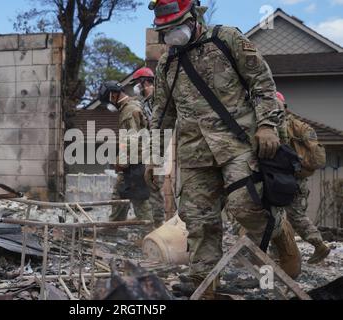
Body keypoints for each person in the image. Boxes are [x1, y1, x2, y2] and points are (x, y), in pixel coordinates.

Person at [145, 0, 285, 297]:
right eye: (165, 29)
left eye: (176, 25)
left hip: (237, 143)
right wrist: (152, 157)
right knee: (198, 221)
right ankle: (204, 286)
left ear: (194, 16)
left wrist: (267, 125)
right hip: (194, 152)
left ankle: (282, 233)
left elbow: (261, 82)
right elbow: (162, 114)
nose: (171, 34)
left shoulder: (227, 39)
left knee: (244, 205)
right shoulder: (166, 64)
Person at [276, 92, 331, 264]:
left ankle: (317, 245)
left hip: (283, 178)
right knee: (294, 215)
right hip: (298, 178)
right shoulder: (301, 126)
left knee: (282, 215)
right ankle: (318, 244)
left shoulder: (278, 125)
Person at [98, 81, 154, 224]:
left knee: (139, 199)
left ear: (114, 95)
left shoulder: (129, 111)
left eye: (107, 101)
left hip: (136, 161)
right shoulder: (132, 106)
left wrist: (121, 163)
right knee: (120, 194)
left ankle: (149, 234)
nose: (108, 105)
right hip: (138, 159)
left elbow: (132, 141)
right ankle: (114, 226)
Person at [131, 68, 167, 228]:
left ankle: (159, 224)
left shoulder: (156, 98)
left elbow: (158, 124)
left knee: (155, 187)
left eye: (137, 83)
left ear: (144, 82)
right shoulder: (145, 101)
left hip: (158, 149)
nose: (135, 87)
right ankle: (153, 223)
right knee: (148, 187)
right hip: (149, 149)